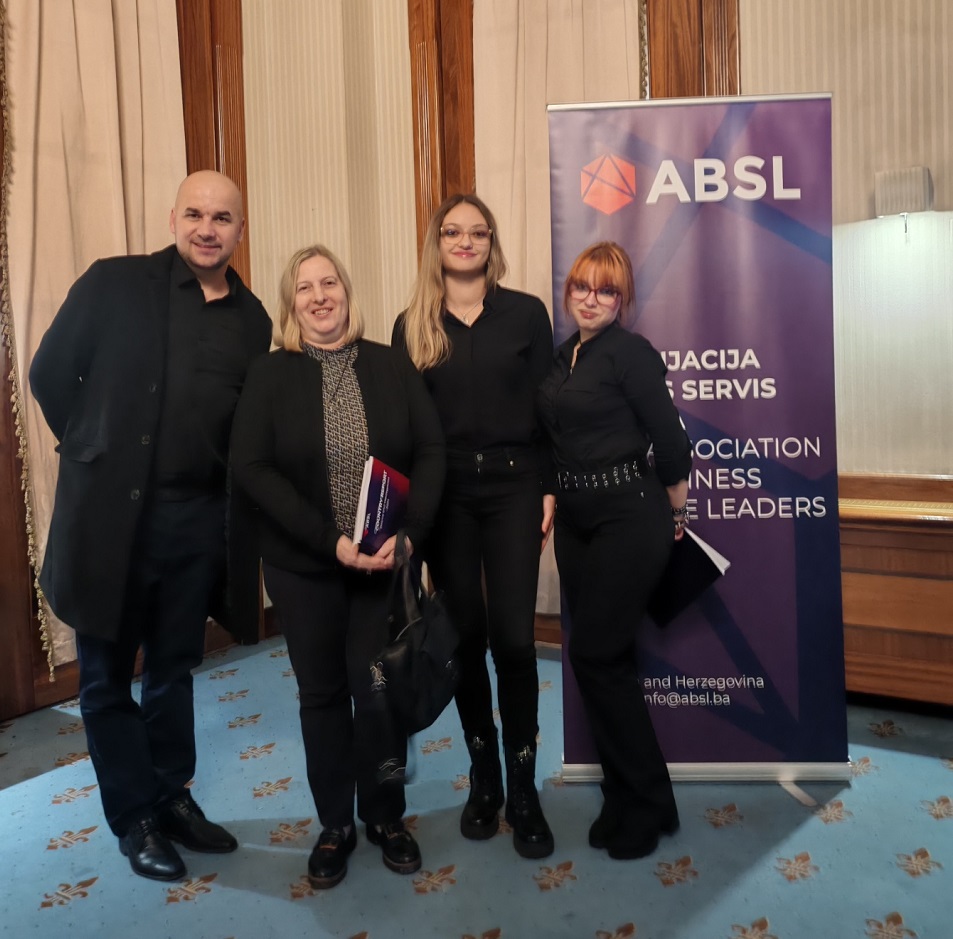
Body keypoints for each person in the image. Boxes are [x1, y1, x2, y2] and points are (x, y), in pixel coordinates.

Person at [29, 171, 273, 881]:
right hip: (111, 519)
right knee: (105, 679)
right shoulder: (113, 283)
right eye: (195, 214)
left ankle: (171, 797)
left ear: (240, 230)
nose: (207, 228)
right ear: (173, 219)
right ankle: (133, 816)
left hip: (197, 521)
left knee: (173, 670)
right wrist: (94, 450)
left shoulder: (254, 320)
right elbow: (49, 374)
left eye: (222, 218)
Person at [231, 245, 445, 889]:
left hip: (381, 563)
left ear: (347, 293)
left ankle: (385, 816)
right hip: (304, 566)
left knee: (378, 689)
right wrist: (329, 541)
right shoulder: (270, 374)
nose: (320, 296)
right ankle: (334, 824)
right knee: (321, 694)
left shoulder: (389, 363)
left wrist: (410, 536)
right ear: (290, 304)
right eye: (305, 288)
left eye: (330, 283)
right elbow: (251, 467)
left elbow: (431, 449)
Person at [392, 194, 556, 859]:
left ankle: (524, 784)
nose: (466, 241)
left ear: (492, 242)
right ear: (436, 243)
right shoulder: (412, 323)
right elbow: (404, 429)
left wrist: (550, 486)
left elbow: (548, 408)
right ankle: (483, 773)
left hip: (517, 486)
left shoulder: (526, 314)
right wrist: (407, 516)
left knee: (514, 640)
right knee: (464, 638)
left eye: (478, 232)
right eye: (453, 232)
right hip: (447, 494)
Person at [536, 241, 693, 860]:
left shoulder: (631, 353)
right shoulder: (561, 358)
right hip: (577, 525)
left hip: (630, 517)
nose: (591, 299)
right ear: (569, 290)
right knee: (604, 661)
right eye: (582, 286)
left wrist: (676, 513)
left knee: (598, 657)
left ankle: (648, 804)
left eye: (606, 290)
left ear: (621, 299)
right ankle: (625, 797)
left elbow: (671, 445)